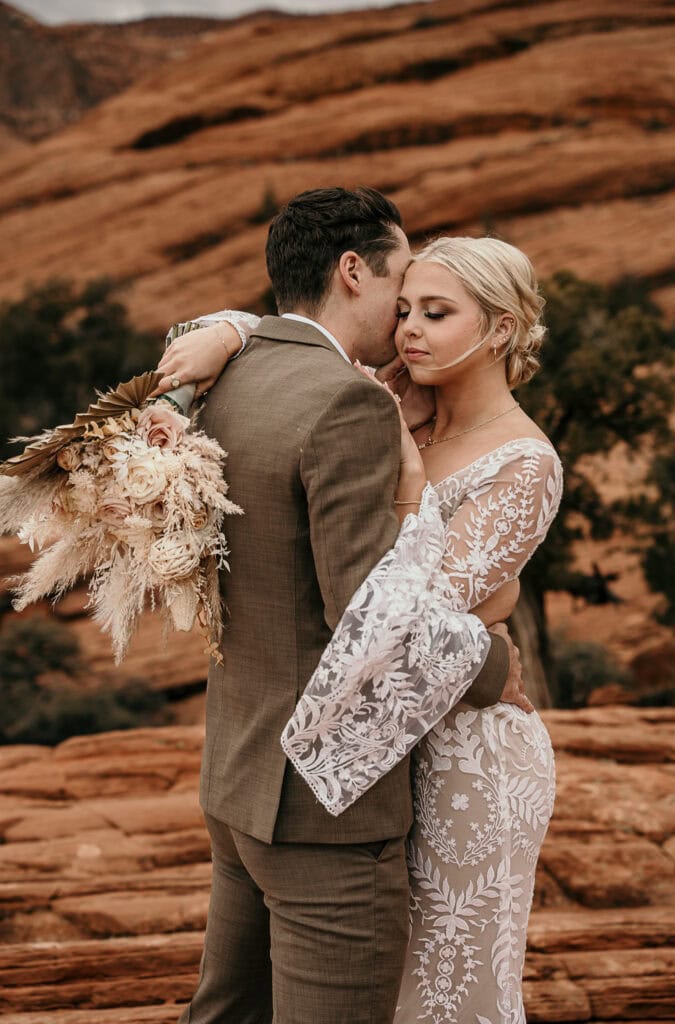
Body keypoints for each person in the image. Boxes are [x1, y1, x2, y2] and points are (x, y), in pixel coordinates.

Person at [155, 188, 526, 1024]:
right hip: (324, 809)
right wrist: (495, 663)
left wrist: (224, 325)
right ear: (352, 270)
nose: (403, 318)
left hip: (238, 779)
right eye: (400, 291)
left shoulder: (233, 369)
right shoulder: (347, 400)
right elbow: (371, 616)